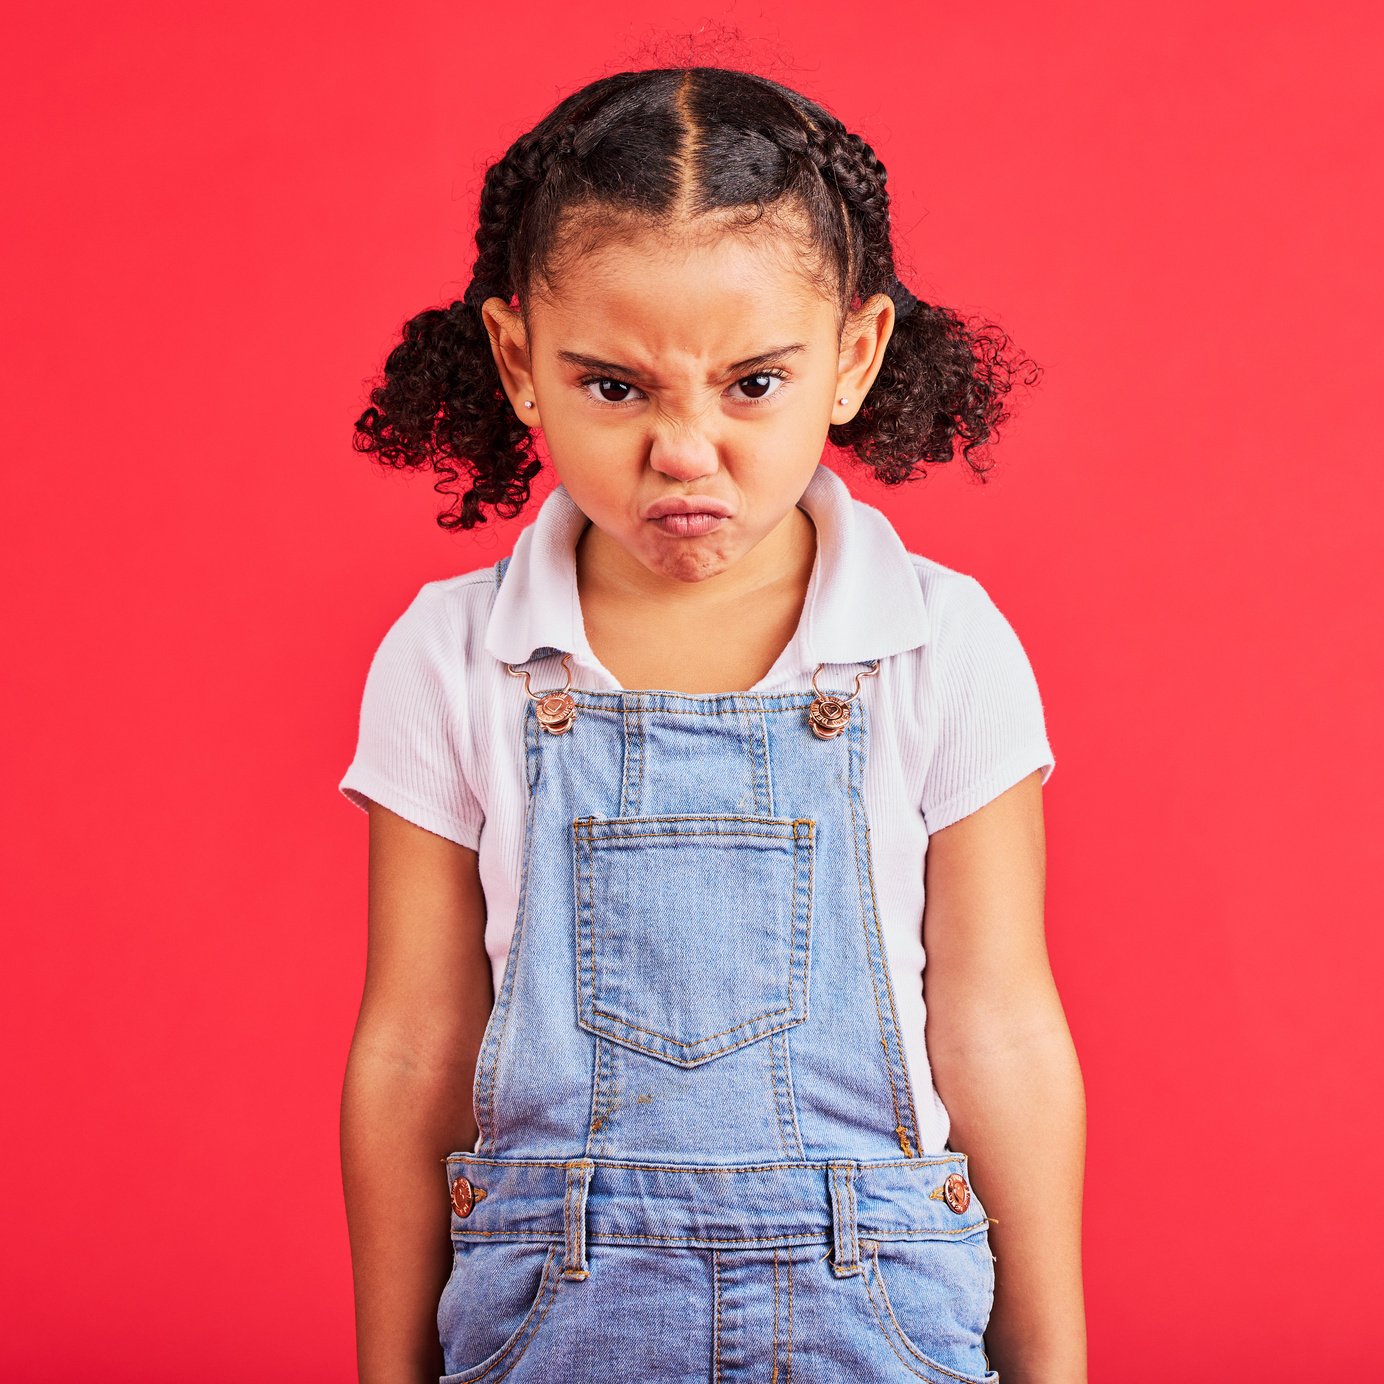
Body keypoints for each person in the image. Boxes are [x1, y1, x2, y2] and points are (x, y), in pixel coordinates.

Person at [338, 65, 1086, 1384]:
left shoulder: (936, 639)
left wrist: (1054, 1367)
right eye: (614, 387)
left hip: (884, 1303)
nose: (687, 449)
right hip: (548, 1312)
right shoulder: (454, 654)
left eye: (751, 384)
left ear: (853, 356)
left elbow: (1002, 1025)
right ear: (520, 362)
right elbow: (412, 1044)